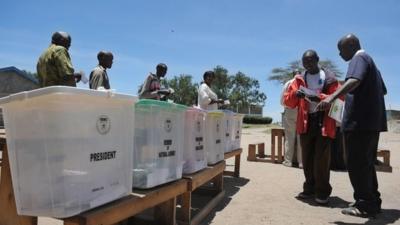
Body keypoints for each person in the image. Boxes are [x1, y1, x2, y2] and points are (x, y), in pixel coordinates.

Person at [317, 34, 387, 217]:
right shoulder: (371, 63)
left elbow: (355, 80)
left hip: (359, 123)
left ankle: (365, 205)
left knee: (356, 163)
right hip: (371, 122)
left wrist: (332, 97)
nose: (340, 54)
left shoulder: (359, 58)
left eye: (341, 50)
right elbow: (384, 90)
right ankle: (371, 200)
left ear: (352, 45)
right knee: (366, 163)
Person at [283, 50, 340, 205]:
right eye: (304, 61)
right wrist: (296, 95)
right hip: (306, 121)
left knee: (321, 158)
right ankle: (309, 189)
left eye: (310, 61)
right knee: (307, 158)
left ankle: (322, 192)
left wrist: (319, 98)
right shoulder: (299, 79)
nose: (307, 64)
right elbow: (288, 101)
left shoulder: (329, 78)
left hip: (324, 122)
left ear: (317, 60)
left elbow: (339, 99)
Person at [281, 70, 302, 168]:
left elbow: (282, 101)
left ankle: (288, 161)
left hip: (289, 111)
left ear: (292, 74)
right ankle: (301, 162)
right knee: (301, 137)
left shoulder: (288, 83)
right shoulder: (304, 82)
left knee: (289, 137)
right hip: (301, 111)